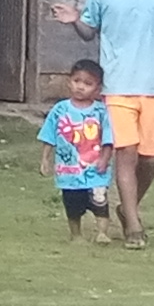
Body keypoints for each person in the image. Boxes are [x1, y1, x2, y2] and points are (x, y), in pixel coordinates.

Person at [48, 0, 154, 249]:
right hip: (117, 85)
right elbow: (89, 31)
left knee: (151, 159)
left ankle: (126, 207)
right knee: (126, 154)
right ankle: (133, 225)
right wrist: (74, 20)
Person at [38, 60, 115, 244]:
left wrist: (105, 159)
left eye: (88, 84)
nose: (80, 87)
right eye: (76, 81)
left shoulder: (101, 111)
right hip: (69, 172)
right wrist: (45, 159)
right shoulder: (60, 110)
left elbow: (108, 139)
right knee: (72, 204)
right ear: (69, 81)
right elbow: (49, 136)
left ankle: (102, 233)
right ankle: (76, 235)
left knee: (100, 202)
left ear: (97, 89)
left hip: (95, 171)